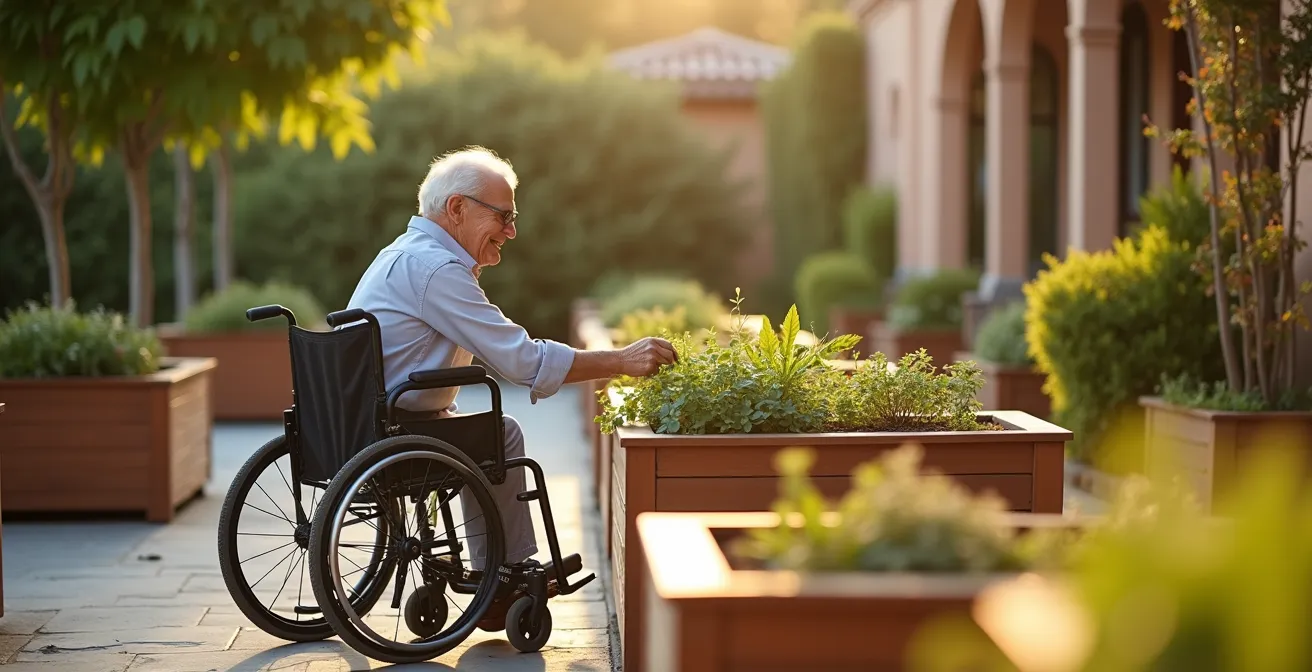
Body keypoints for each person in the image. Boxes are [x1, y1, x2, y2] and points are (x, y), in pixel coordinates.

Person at [344, 145, 676, 627]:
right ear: (457, 208)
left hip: (367, 422)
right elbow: (521, 361)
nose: (512, 231)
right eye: (503, 216)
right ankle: (506, 574)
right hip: (396, 429)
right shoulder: (436, 270)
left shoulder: (401, 254)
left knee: (476, 431)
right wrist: (620, 360)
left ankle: (493, 570)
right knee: (502, 435)